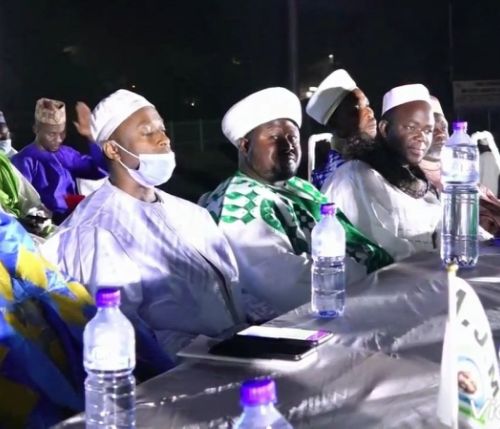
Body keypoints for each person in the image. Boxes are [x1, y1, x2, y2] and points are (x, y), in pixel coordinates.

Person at [41, 89, 244, 362]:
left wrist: (259, 333)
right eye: (147, 132)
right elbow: (125, 336)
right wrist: (212, 350)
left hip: (237, 360)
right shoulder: (97, 231)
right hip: (184, 376)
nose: (164, 139)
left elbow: (234, 291)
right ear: (113, 149)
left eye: (162, 129)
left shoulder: (192, 214)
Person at [200, 87, 392, 319]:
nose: (288, 145)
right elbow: (282, 282)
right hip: (300, 320)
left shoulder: (298, 186)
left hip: (360, 292)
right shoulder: (238, 202)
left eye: (292, 137)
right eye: (274, 137)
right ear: (245, 146)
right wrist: (367, 275)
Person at [323, 84, 441, 261]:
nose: (422, 137)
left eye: (428, 130)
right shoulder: (355, 176)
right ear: (385, 129)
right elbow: (380, 249)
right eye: (411, 127)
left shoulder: (419, 181)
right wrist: (435, 262)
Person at [12, 98, 108, 224]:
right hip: (42, 227)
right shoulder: (23, 161)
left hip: (72, 222)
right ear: (36, 129)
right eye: (51, 134)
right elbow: (20, 202)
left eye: (62, 133)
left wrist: (89, 136)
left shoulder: (67, 154)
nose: (58, 139)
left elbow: (100, 170)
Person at [420, 97, 500, 236]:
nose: (440, 133)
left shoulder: (460, 174)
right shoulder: (407, 181)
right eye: (431, 129)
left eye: (443, 127)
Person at [306, 69, 377, 189]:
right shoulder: (334, 178)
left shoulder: (377, 160)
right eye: (356, 109)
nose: (369, 113)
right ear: (338, 126)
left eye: (367, 105)